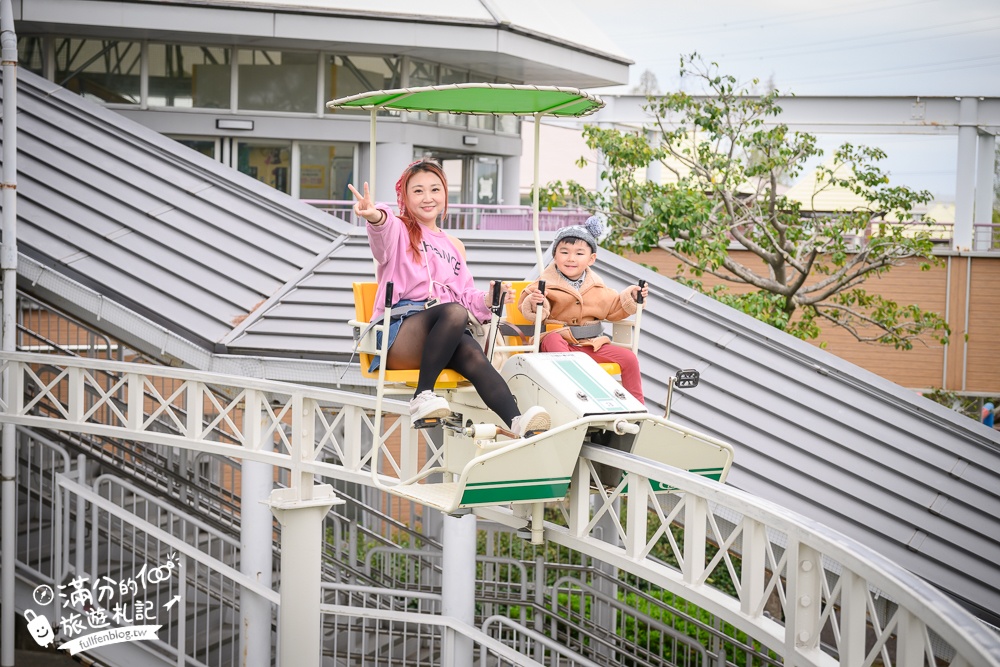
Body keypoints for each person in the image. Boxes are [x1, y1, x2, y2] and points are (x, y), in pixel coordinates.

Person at [348, 158, 550, 437]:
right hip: (399, 334)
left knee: (471, 351)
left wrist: (489, 297)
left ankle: (517, 422)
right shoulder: (399, 229)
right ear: (404, 197)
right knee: (453, 312)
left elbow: (466, 296)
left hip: (440, 334)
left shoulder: (454, 245)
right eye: (418, 191)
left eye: (435, 189)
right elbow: (382, 227)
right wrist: (373, 215)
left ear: (445, 194)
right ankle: (422, 396)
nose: (427, 198)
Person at [517, 216, 649, 404]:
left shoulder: (596, 287)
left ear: (591, 259)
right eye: (564, 252)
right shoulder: (544, 283)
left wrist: (633, 297)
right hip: (556, 343)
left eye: (579, 254)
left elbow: (614, 307)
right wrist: (536, 301)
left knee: (629, 358)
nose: (571, 259)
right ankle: (571, 398)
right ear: (555, 255)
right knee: (555, 341)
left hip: (588, 344)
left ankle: (637, 405)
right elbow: (528, 304)